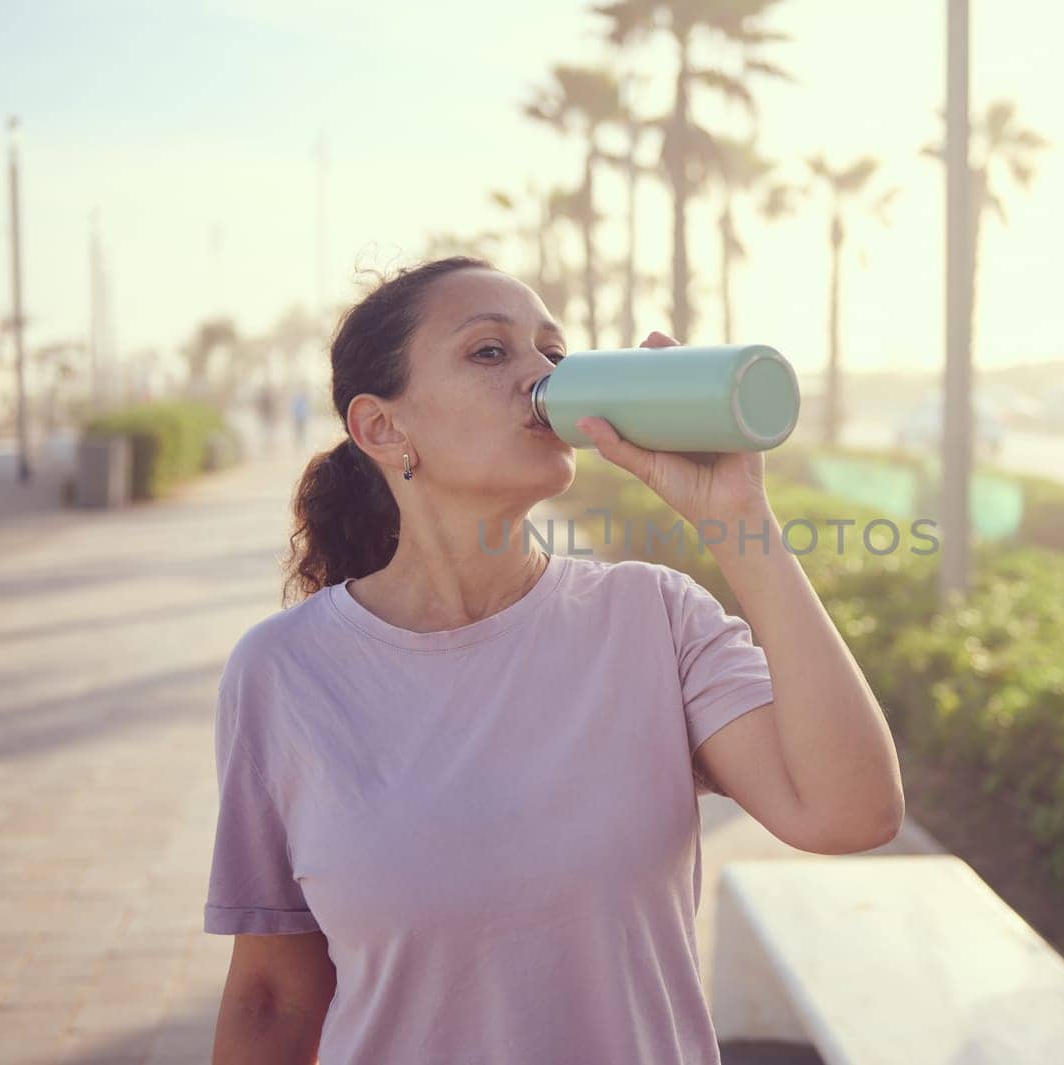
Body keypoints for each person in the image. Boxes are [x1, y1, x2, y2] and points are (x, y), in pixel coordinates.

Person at [203, 255, 903, 1063]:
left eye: (553, 353)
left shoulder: (653, 617)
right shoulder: (283, 672)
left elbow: (854, 814)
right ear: (383, 429)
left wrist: (740, 517)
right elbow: (271, 995)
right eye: (490, 352)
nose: (542, 372)